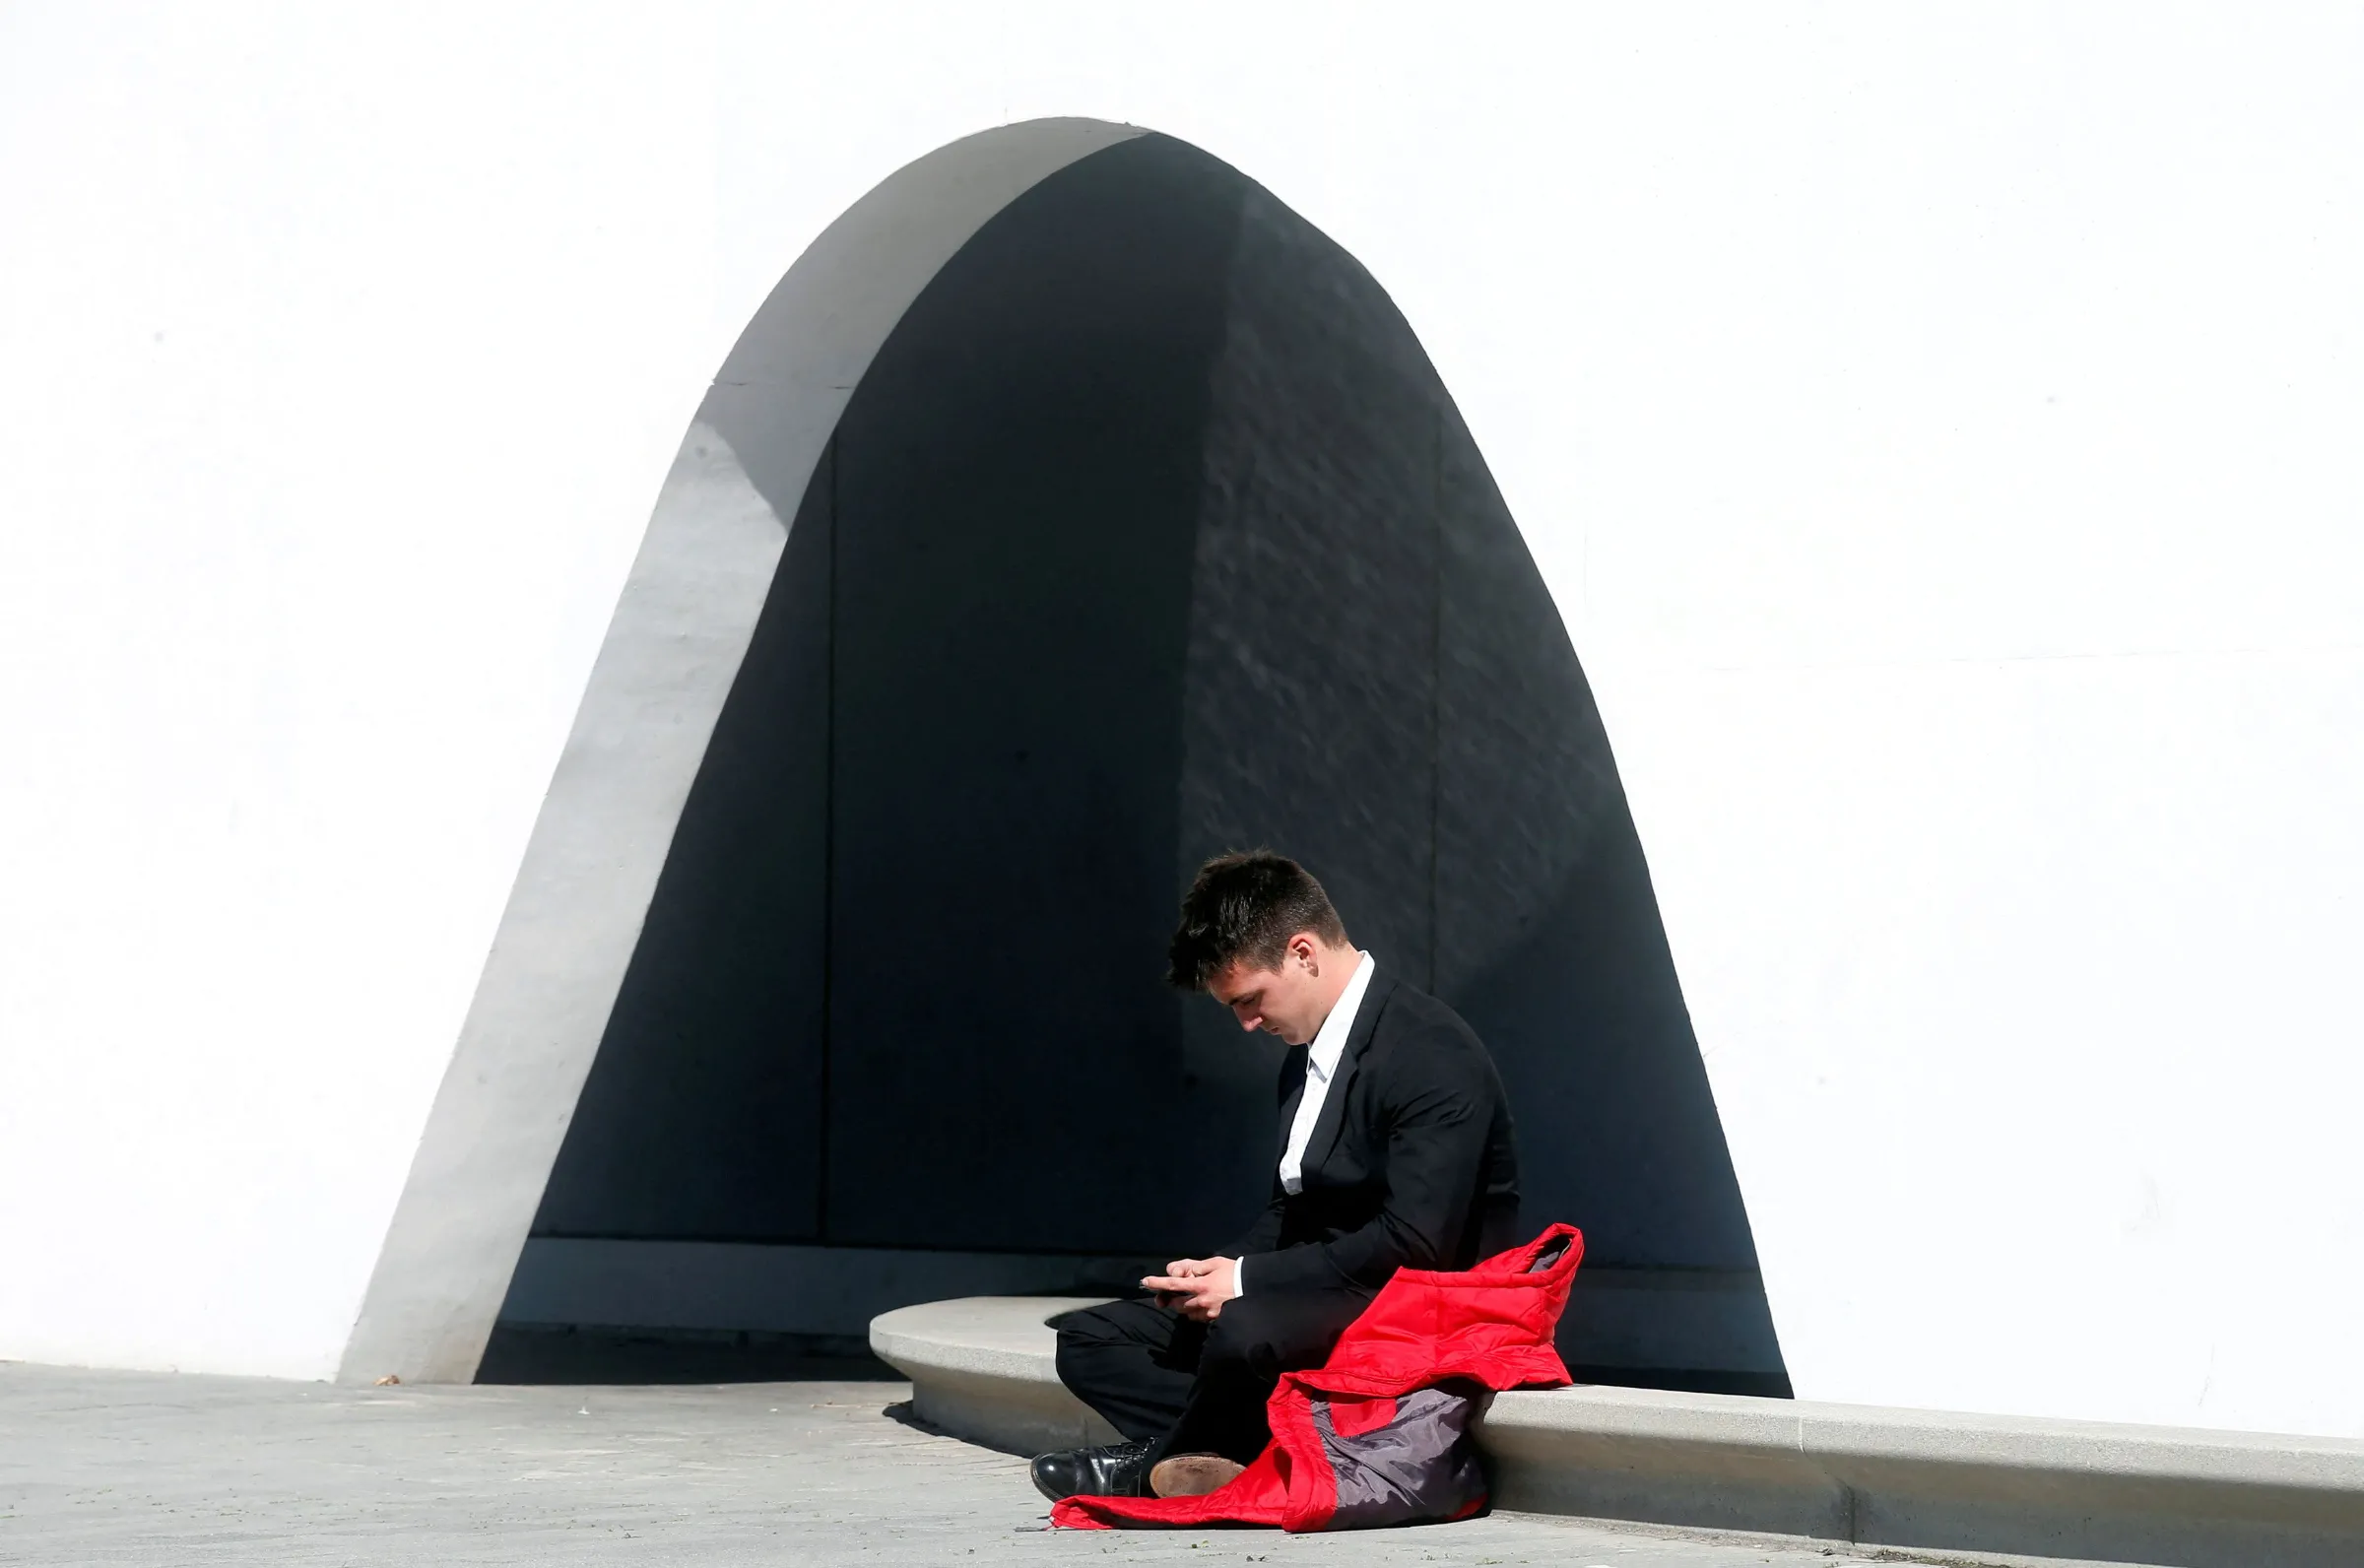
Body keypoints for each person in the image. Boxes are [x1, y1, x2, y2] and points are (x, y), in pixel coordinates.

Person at [1030, 850, 1522, 1502]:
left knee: (1241, 1331)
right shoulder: (1304, 1053)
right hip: (1308, 1290)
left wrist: (1246, 1282)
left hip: (1409, 1302)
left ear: (1303, 952)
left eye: (1250, 999)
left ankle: (1155, 1465)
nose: (1248, 1022)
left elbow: (1417, 1243)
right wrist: (1218, 1269)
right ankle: (1238, 1447)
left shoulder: (1431, 1052)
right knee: (1087, 1338)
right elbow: (1292, 1209)